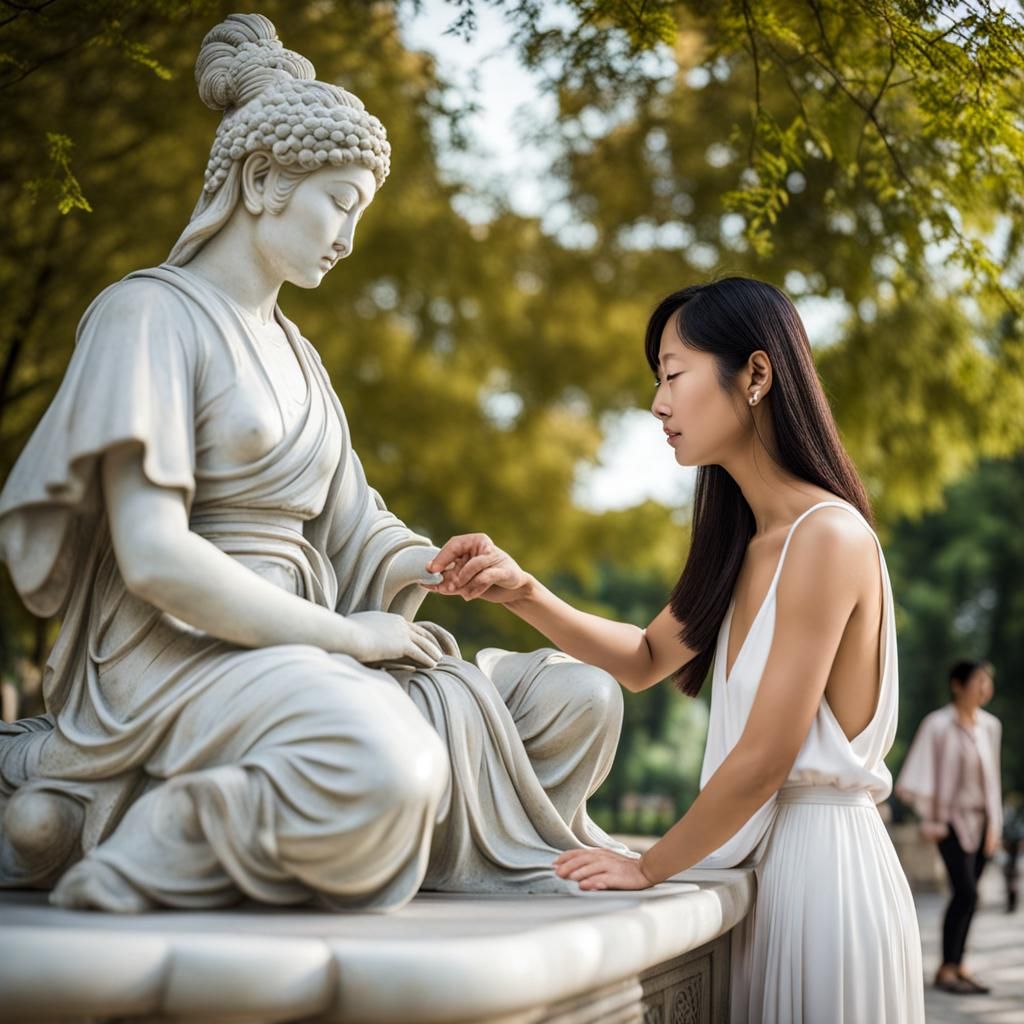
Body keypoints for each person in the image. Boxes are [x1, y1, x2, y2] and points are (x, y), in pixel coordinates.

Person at [0, 13, 627, 912]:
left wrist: (432, 566)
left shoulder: (300, 356)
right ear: (261, 179)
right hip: (187, 655)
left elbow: (352, 526)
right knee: (390, 772)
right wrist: (348, 638)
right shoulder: (146, 315)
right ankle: (172, 825)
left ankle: (298, 798)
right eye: (340, 202)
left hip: (310, 645)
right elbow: (153, 557)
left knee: (580, 701)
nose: (347, 236)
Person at [426, 277, 925, 1023]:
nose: (658, 403)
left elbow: (764, 758)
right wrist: (523, 591)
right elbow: (640, 659)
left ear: (756, 375)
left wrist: (646, 865)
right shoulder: (744, 545)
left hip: (827, 881)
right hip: (762, 877)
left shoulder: (827, 536)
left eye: (672, 374)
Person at [896, 659, 1003, 994]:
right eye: (978, 681)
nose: (985, 687)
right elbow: (921, 771)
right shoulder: (938, 724)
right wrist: (931, 816)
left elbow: (992, 778)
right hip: (950, 822)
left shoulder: (990, 726)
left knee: (971, 897)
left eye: (988, 682)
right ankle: (946, 968)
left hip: (983, 821)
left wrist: (995, 823)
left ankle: (958, 964)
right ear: (957, 685)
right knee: (966, 891)